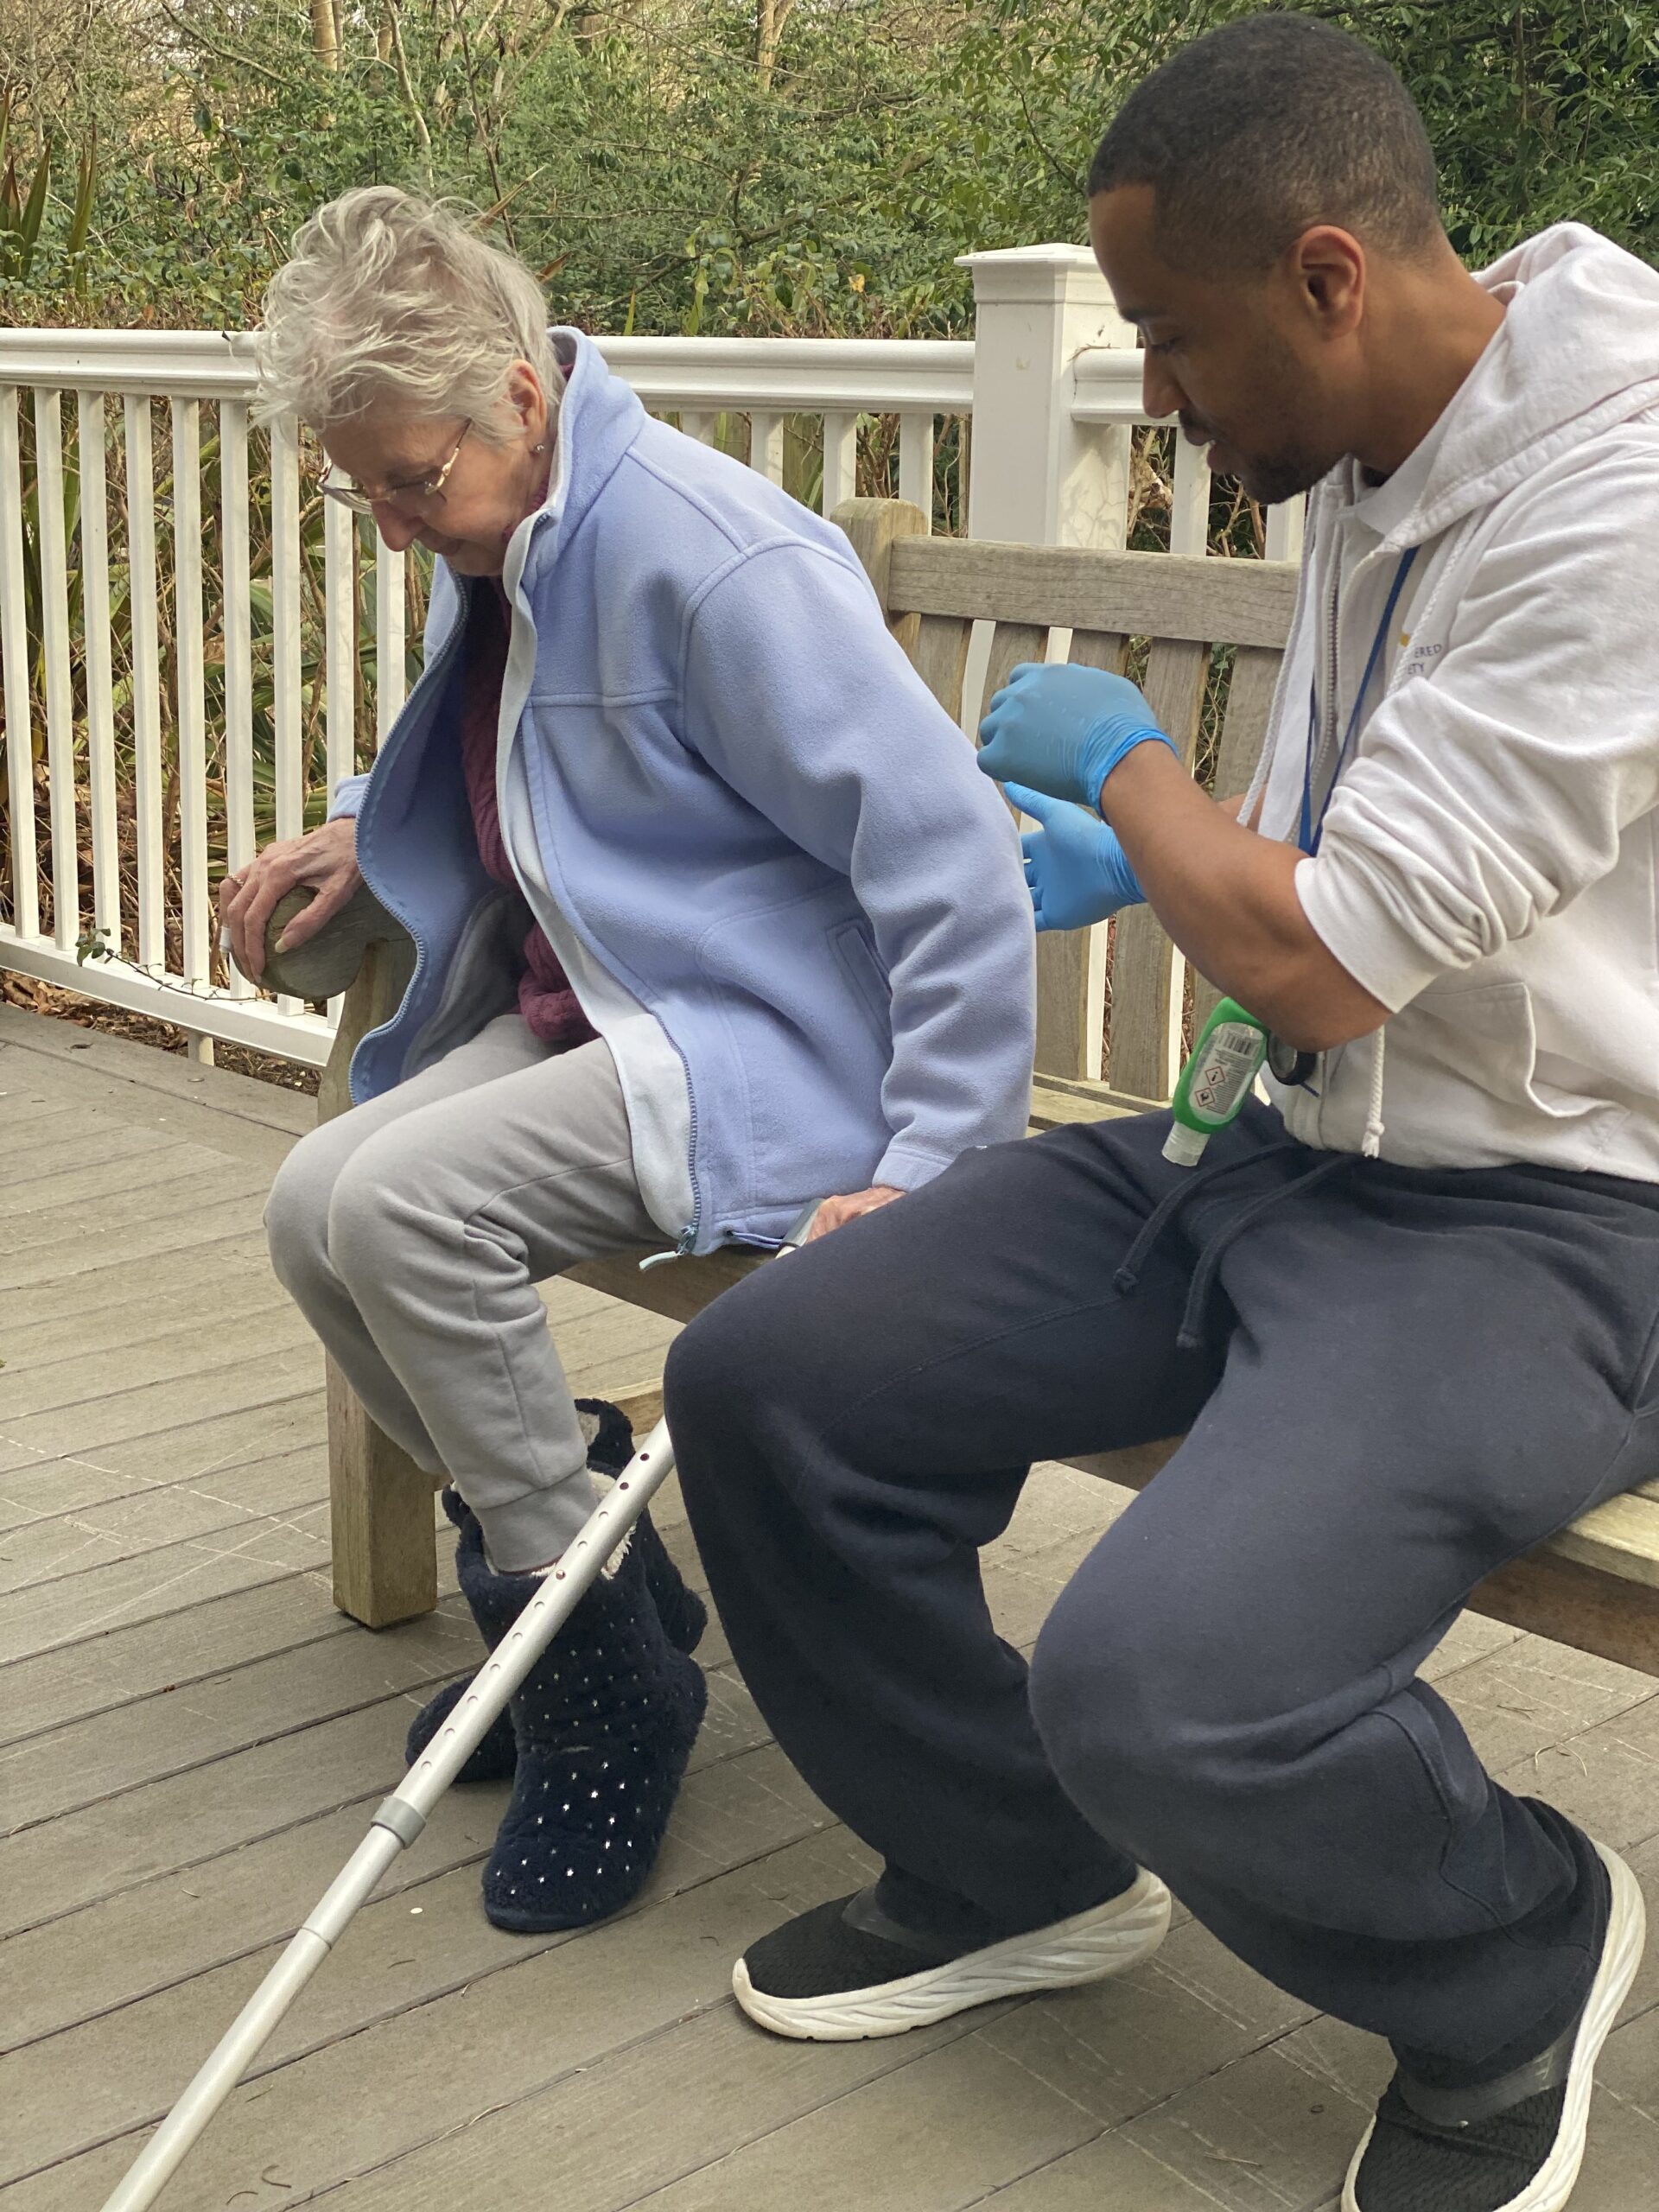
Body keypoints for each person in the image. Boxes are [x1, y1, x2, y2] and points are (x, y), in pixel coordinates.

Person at [662, 17, 1659, 2211]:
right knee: (774, 1376)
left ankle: (1513, 1949)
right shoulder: (1380, 438)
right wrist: (1194, 847)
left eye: (1173, 341)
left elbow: (1319, 948)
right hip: (1280, 1141)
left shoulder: (1623, 490)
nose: (1159, 398)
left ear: (1327, 272)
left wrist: (1127, 769)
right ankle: (1012, 1864)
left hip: (1556, 1218)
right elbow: (1367, 867)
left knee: (1169, 1680)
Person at [224, 188, 1034, 1939]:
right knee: (315, 1203)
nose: (386, 523)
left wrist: (935, 1162)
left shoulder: (710, 558)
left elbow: (951, 855)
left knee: (411, 1209)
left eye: (407, 483)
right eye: (359, 487)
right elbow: (520, 754)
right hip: (603, 1010)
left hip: (781, 1056)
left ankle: (593, 1659)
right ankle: (593, 1579)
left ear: (520, 395)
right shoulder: (510, 528)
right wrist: (370, 827)